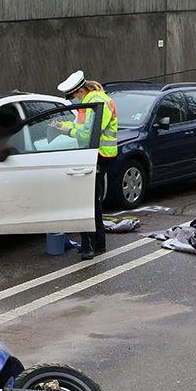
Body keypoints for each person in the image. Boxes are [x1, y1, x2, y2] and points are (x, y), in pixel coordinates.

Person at [55, 70, 118, 260]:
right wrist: (64, 127)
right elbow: (82, 129)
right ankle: (97, 243)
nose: (73, 100)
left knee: (87, 201)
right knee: (93, 201)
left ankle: (90, 245)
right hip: (97, 155)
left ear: (80, 91)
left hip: (99, 155)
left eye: (73, 96)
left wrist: (65, 131)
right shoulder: (92, 101)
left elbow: (86, 134)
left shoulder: (96, 103)